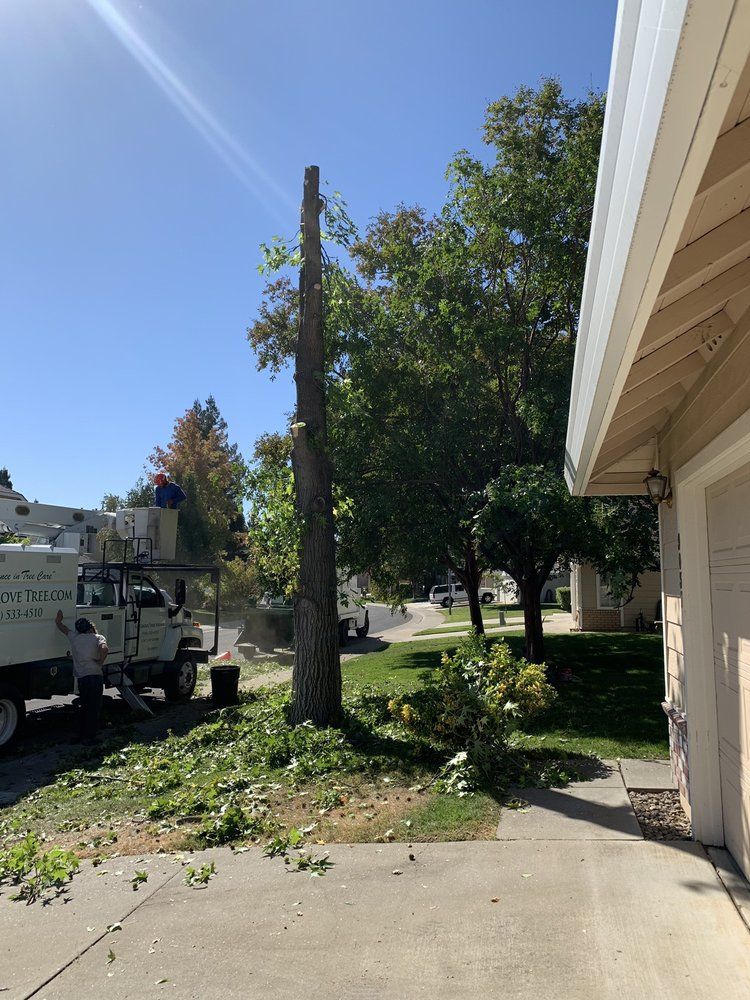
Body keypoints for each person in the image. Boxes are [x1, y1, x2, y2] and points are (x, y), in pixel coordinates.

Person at [55, 612, 109, 744]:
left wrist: (58, 621)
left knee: (84, 706)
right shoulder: (98, 637)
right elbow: (105, 649)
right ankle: (90, 737)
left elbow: (64, 629)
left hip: (82, 678)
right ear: (91, 627)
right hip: (95, 676)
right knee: (94, 707)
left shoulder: (75, 637)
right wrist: (100, 662)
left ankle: (78, 735)